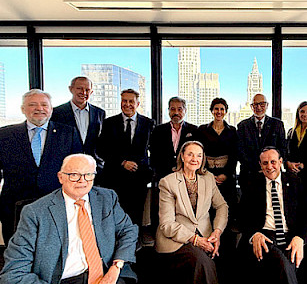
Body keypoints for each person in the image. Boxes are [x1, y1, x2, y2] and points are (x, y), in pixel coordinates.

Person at [0, 154, 138, 284]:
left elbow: (129, 231)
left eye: (88, 175)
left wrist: (115, 268)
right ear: (61, 177)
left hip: (105, 277)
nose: (82, 181)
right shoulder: (35, 213)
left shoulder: (106, 198)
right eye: (74, 175)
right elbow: (12, 273)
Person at [0, 89, 82, 244]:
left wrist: (80, 203)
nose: (39, 108)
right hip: (15, 209)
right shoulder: (1, 136)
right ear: (23, 109)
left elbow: (78, 171)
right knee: (17, 254)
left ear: (51, 109)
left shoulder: (68, 133)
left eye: (44, 105)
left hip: (57, 206)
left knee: (55, 254)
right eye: (32, 105)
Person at [155, 141, 228, 284]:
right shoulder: (168, 182)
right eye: (190, 154)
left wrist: (216, 233)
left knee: (224, 261)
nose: (194, 159)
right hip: (176, 240)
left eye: (199, 155)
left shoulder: (208, 178)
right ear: (182, 156)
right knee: (202, 261)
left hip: (206, 236)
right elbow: (166, 225)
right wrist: (195, 239)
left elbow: (222, 206)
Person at [239, 146, 307, 284]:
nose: (269, 166)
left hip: (290, 237)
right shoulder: (252, 183)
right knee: (281, 261)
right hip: (265, 236)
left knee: (290, 263)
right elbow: (242, 215)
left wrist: (300, 238)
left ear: (281, 162)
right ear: (260, 165)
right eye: (265, 163)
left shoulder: (295, 182)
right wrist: (253, 234)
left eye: (273, 162)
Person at [97, 89, 154, 227]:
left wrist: (149, 172)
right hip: (114, 178)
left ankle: (134, 245)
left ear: (138, 103)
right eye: (124, 101)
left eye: (131, 101)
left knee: (136, 217)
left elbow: (154, 150)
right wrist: (122, 162)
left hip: (138, 179)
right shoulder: (109, 123)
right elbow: (101, 149)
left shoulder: (148, 123)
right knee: (113, 216)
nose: (127, 104)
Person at [149, 97, 198, 230]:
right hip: (163, 177)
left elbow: (197, 156)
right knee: (162, 211)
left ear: (185, 110)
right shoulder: (158, 130)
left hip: (185, 178)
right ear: (168, 111)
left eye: (179, 109)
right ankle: (159, 239)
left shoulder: (194, 130)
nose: (176, 112)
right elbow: (153, 155)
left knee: (182, 212)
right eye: (172, 109)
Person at [51, 76, 106, 172]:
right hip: (67, 167)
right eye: (79, 88)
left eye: (87, 90)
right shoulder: (56, 113)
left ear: (91, 92)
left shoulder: (99, 113)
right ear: (71, 89)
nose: (83, 93)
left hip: (94, 167)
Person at [197, 97, 239, 215]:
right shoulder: (202, 130)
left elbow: (234, 155)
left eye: (222, 109)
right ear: (211, 110)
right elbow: (200, 153)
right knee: (207, 208)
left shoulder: (232, 131)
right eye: (216, 109)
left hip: (226, 175)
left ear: (226, 111)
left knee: (227, 206)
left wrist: (225, 175)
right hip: (206, 173)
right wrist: (208, 175)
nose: (219, 112)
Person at [237, 94, 286, 188]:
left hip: (272, 174)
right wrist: (259, 167)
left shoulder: (277, 124)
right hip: (249, 175)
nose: (258, 107)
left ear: (267, 105)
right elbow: (240, 152)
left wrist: (268, 166)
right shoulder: (243, 126)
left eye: (262, 104)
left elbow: (282, 148)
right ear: (251, 107)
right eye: (255, 105)